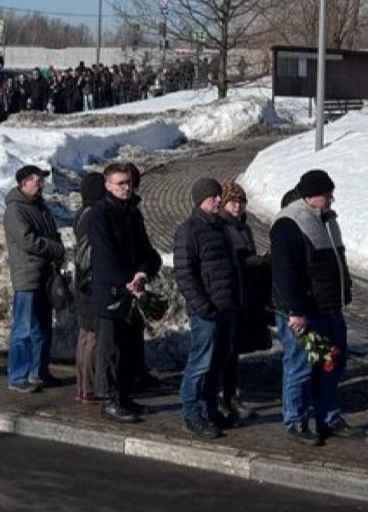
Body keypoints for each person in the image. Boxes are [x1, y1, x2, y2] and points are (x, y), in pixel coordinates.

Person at [271, 169, 363, 445]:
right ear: (311, 196)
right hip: (303, 313)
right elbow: (286, 272)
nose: (332, 198)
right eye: (327, 194)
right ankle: (295, 420)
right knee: (300, 367)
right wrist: (295, 310)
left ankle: (329, 417)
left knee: (331, 364)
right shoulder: (290, 223)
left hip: (329, 308)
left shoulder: (327, 219)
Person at [88, 163, 162, 421]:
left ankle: (125, 395)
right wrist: (126, 283)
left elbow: (147, 251)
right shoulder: (99, 214)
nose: (126, 188)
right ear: (107, 185)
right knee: (110, 349)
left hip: (133, 291)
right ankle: (108, 399)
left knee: (131, 348)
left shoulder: (133, 212)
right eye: (120, 183)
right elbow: (105, 256)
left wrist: (143, 273)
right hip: (111, 292)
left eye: (128, 183)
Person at [174, 177, 241, 439]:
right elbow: (185, 274)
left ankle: (210, 409)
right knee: (200, 364)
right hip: (207, 312)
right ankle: (192, 414)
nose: (218, 201)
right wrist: (203, 306)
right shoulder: (189, 230)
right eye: (213, 197)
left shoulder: (221, 227)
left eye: (218, 197)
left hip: (226, 308)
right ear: (201, 199)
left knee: (217, 363)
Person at [3, 164, 65, 393]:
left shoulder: (40, 206)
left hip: (45, 275)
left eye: (42, 181)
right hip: (27, 278)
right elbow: (29, 240)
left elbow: (51, 232)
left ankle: (38, 372)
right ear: (24, 183)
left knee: (43, 328)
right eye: (37, 181)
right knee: (23, 330)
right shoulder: (15, 210)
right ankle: (17, 376)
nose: (41, 185)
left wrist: (56, 246)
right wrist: (56, 249)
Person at [217, 182, 272, 426]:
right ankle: (220, 397)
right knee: (223, 352)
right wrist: (252, 262)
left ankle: (232, 395)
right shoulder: (220, 228)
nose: (237, 205)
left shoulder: (245, 228)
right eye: (232, 202)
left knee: (235, 351)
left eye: (240, 201)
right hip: (229, 297)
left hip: (245, 297)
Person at [73, 172, 105, 403]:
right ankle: (89, 388)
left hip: (82, 282)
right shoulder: (93, 216)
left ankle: (82, 387)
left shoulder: (81, 213)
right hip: (91, 282)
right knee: (92, 337)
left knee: (85, 336)